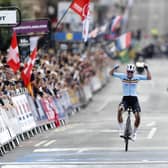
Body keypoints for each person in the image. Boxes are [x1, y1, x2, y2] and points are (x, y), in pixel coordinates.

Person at [110, 63, 152, 141]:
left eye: (131, 72)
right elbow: (111, 73)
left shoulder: (137, 77)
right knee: (119, 110)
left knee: (138, 117)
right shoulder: (122, 76)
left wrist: (147, 69)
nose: (130, 73)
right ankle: (121, 130)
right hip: (125, 99)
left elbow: (149, 78)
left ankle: (134, 133)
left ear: (133, 72)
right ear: (126, 71)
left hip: (134, 99)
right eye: (128, 72)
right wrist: (114, 67)